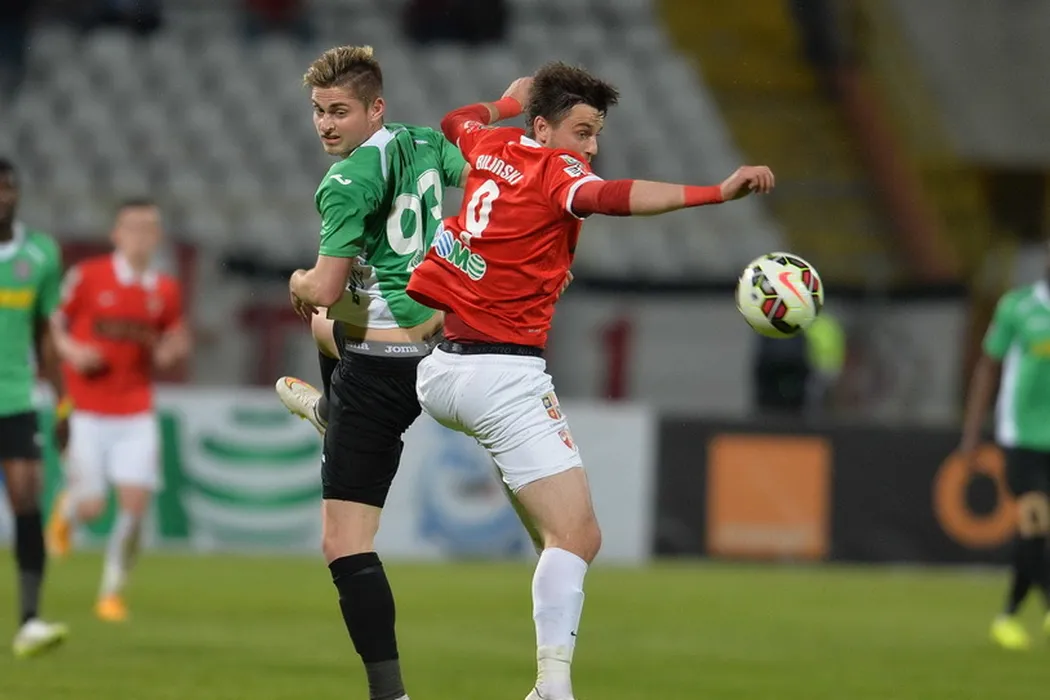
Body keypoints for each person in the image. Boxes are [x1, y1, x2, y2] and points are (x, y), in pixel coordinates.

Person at [407, 64, 774, 700]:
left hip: (443, 371)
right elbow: (617, 197)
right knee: (579, 536)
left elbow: (454, 120)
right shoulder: (558, 171)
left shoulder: (490, 145)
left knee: (552, 537)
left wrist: (504, 103)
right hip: (502, 375)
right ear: (544, 127)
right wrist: (716, 192)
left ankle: (356, 375)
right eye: (582, 131)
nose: (592, 147)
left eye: (596, 133)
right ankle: (552, 688)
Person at [276, 45, 468, 700]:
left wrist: (297, 280)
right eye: (318, 111)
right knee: (325, 325)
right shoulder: (422, 142)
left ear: (374, 108)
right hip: (444, 346)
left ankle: (391, 695)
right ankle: (330, 411)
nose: (326, 124)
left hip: (380, 369)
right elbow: (479, 175)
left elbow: (326, 287)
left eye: (339, 111)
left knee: (344, 543)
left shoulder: (345, 181)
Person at [45, 198, 190, 623]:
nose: (141, 236)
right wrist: (72, 351)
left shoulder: (164, 289)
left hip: (135, 409)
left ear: (157, 236)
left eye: (149, 228)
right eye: (133, 227)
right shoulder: (88, 277)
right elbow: (51, 322)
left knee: (135, 505)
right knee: (92, 507)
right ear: (116, 234)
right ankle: (68, 510)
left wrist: (172, 349)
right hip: (85, 408)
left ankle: (111, 593)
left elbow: (173, 336)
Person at [961, 257, 1050, 651]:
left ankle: (1008, 616)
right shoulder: (1017, 307)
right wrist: (971, 433)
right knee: (1036, 518)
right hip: (1022, 436)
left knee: (1034, 535)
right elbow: (988, 367)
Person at [0, 158, 70, 657]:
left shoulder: (41, 254)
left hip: (16, 395)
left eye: (8, 188)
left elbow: (47, 336)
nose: (3, 197)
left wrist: (63, 404)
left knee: (27, 498)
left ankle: (30, 618)